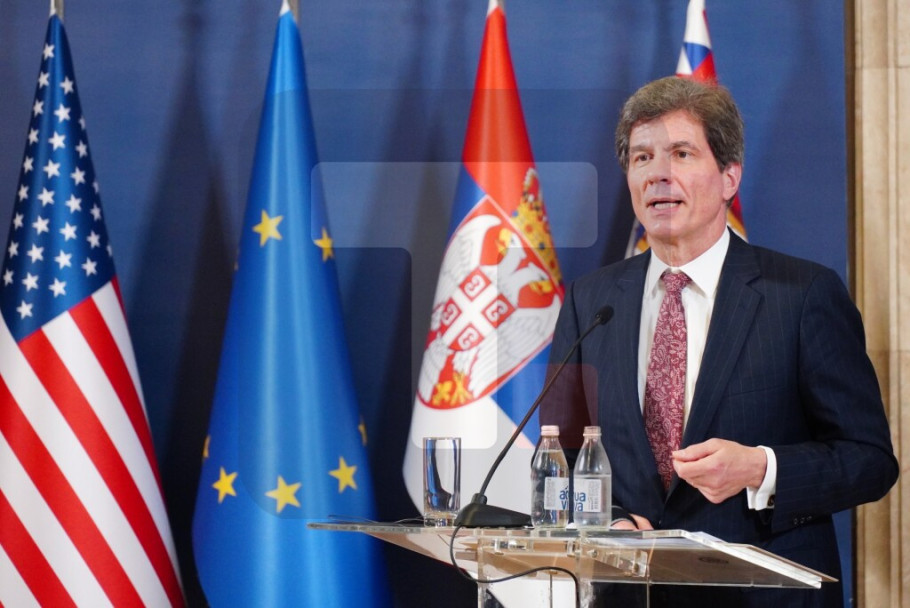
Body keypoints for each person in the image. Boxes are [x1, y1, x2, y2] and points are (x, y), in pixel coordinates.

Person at [540, 76, 898, 607]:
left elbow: (869, 460)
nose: (658, 174)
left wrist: (761, 469)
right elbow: (563, 451)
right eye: (642, 158)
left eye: (681, 154)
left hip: (765, 597)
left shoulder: (802, 295)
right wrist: (612, 521)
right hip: (629, 592)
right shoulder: (590, 300)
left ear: (730, 176)